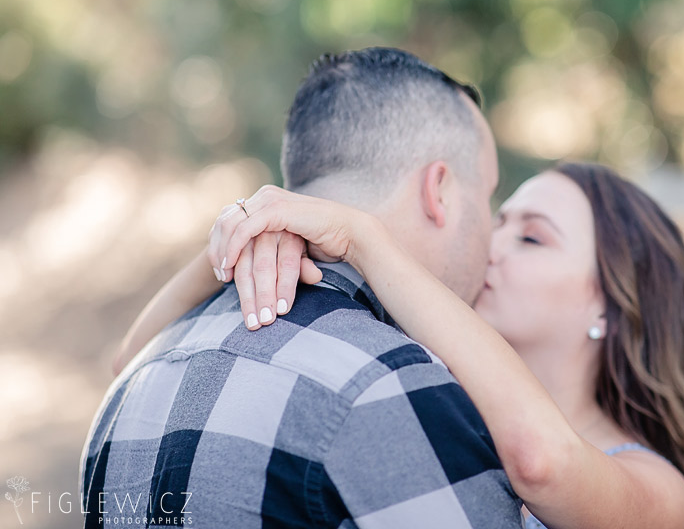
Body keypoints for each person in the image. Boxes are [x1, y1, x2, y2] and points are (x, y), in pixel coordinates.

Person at [117, 162, 684, 527]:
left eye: (533, 239)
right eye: (501, 220)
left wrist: (365, 240)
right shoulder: (432, 386)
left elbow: (543, 464)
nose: (493, 244)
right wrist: (235, 238)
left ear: (613, 301)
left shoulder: (661, 491)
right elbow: (131, 366)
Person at [80, 47, 525, 528]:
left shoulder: (135, 380)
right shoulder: (392, 383)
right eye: (487, 194)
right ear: (438, 191)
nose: (494, 232)